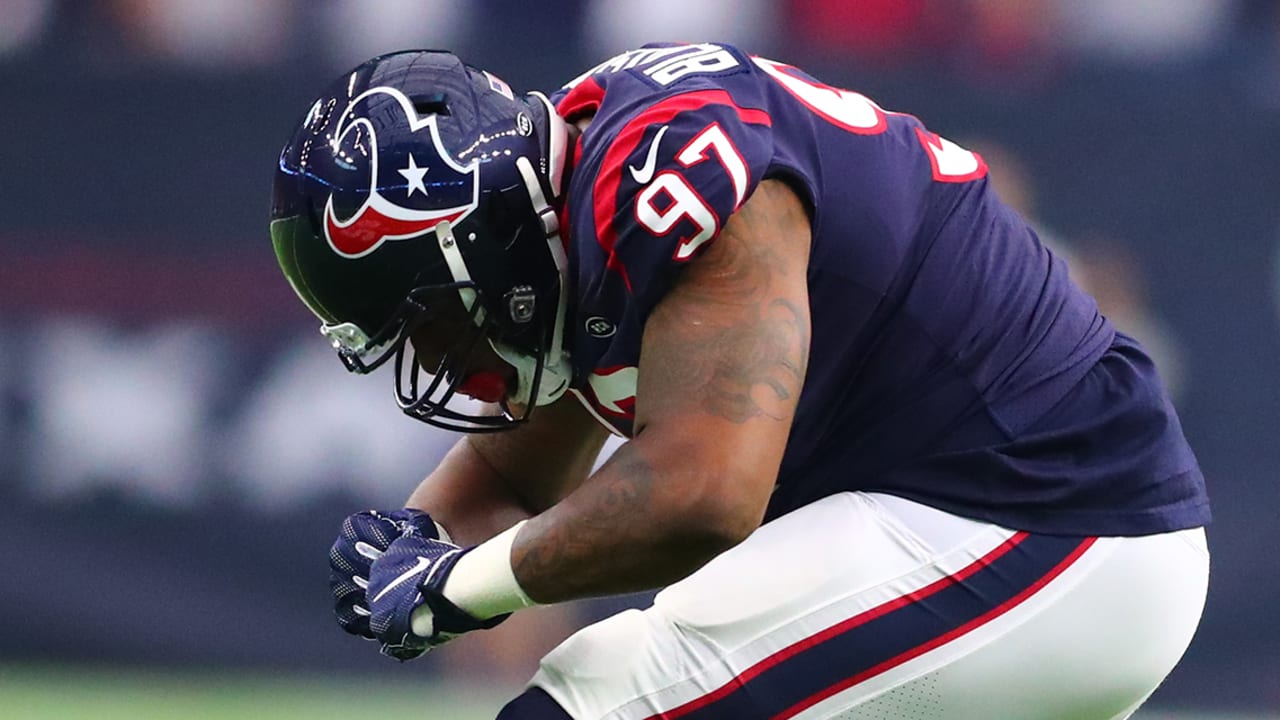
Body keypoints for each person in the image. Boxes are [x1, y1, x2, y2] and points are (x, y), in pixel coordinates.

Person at [269, 43, 1211, 719]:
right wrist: (415, 547)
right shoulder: (572, 200)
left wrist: (456, 585)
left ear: (485, 243)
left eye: (430, 319)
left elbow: (701, 496)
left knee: (600, 701)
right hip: (978, 521)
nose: (435, 358)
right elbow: (510, 478)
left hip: (1046, 518)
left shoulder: (674, 171)